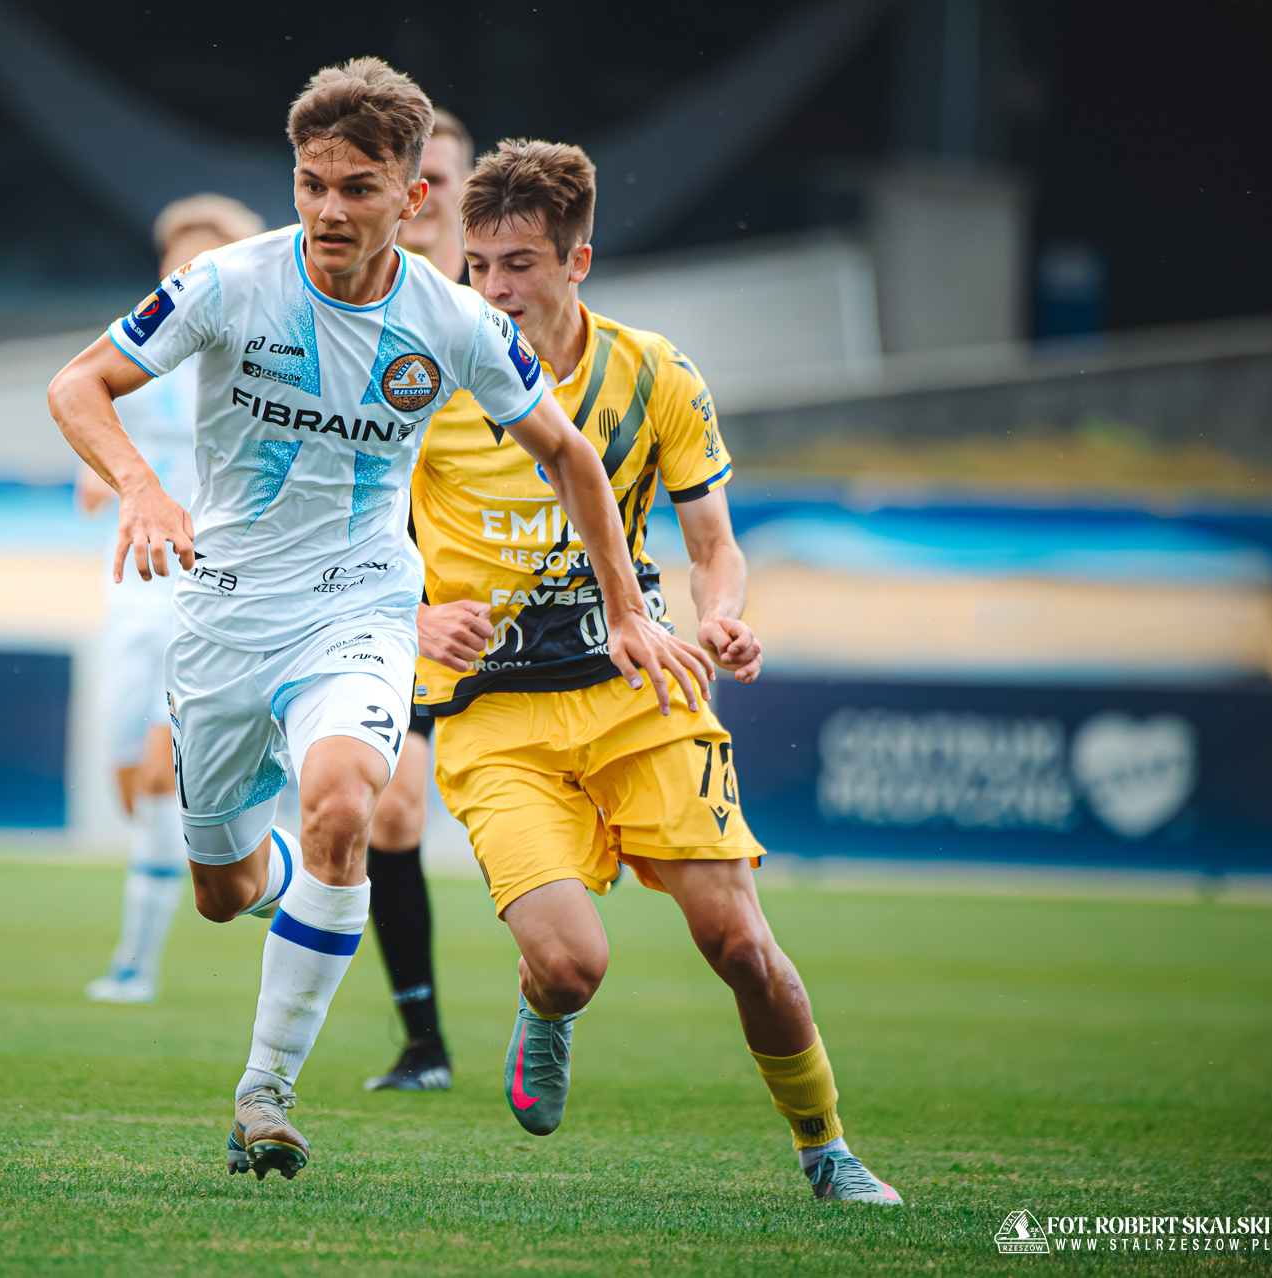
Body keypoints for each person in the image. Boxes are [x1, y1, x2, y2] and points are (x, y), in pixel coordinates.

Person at [47, 59, 690, 1182]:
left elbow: (572, 456)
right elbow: (76, 386)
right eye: (312, 184)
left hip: (359, 604)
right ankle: (291, 888)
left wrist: (627, 607)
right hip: (225, 616)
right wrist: (143, 489)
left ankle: (265, 1095)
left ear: (413, 195)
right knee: (223, 893)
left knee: (346, 801)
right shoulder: (225, 283)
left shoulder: (453, 320)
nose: (330, 209)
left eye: (358, 187)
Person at [411, 140, 904, 1205]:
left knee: (740, 944)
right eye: (479, 265)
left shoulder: (655, 373)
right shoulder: (424, 379)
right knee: (571, 964)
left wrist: (721, 617)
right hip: (494, 717)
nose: (494, 289)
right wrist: (415, 614)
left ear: (577, 261)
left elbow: (715, 544)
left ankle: (827, 1149)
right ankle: (545, 1006)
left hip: (640, 694)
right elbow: (349, 538)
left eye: (520, 264)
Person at [83, 195, 266, 1005]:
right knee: (133, 788)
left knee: (163, 777)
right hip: (134, 591)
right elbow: (94, 428)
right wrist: (99, 475)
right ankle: (271, 868)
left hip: (211, 588)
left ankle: (135, 966)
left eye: (203, 262)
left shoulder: (255, 357)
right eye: (176, 262)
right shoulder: (137, 352)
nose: (186, 275)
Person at [361, 105, 474, 1093]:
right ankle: (424, 1041)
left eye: (443, 173)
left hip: (502, 601)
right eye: (414, 173)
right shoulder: (358, 310)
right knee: (392, 812)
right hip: (389, 594)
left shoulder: (496, 317)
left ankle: (551, 989)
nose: (427, 191)